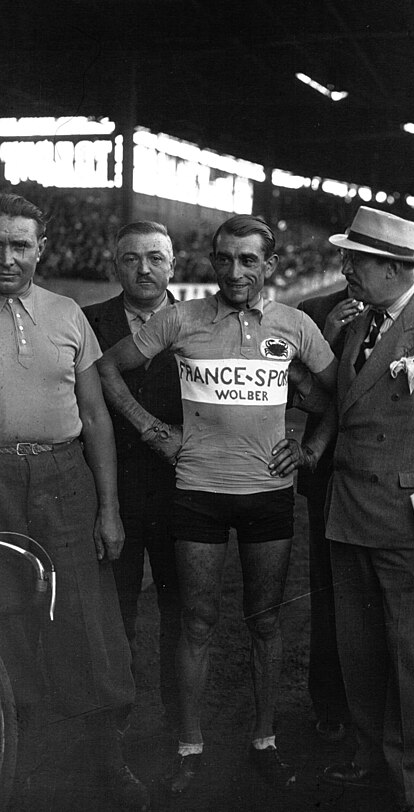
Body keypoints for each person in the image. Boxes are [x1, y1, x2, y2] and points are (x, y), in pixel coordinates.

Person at [97, 214, 338, 794]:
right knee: (197, 623)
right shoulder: (182, 318)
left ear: (269, 266)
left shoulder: (295, 324)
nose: (235, 271)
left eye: (249, 260)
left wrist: (310, 452)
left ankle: (264, 740)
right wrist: (155, 431)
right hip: (199, 492)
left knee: (265, 621)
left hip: (269, 496)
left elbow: (340, 397)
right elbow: (105, 368)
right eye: (224, 259)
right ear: (211, 261)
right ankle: (189, 746)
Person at [278, 206, 414, 812]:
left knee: (411, 658)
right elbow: (344, 404)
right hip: (348, 514)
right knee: (359, 651)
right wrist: (290, 375)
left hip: (410, 520)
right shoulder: (354, 324)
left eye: (357, 261)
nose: (345, 269)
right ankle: (370, 757)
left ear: (395, 269)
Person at [0, 193, 149, 810]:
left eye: (19, 245)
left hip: (65, 480)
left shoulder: (67, 314)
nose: (6, 257)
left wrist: (109, 508)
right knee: (9, 624)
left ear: (40, 250)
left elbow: (95, 415)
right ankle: (21, 765)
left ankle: (108, 760)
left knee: (87, 622)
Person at [83, 221, 182, 731]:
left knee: (182, 614)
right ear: (114, 265)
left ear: (173, 264)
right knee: (114, 612)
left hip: (181, 495)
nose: (144, 268)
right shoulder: (87, 321)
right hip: (112, 492)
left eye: (155, 258)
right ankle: (115, 722)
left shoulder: (197, 322)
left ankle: (177, 719)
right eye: (131, 258)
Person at [294, 286, 360, 741]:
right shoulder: (314, 311)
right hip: (328, 473)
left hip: (386, 480)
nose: (352, 267)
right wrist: (325, 337)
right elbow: (296, 396)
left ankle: (380, 708)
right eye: (347, 257)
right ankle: (330, 703)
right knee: (328, 594)